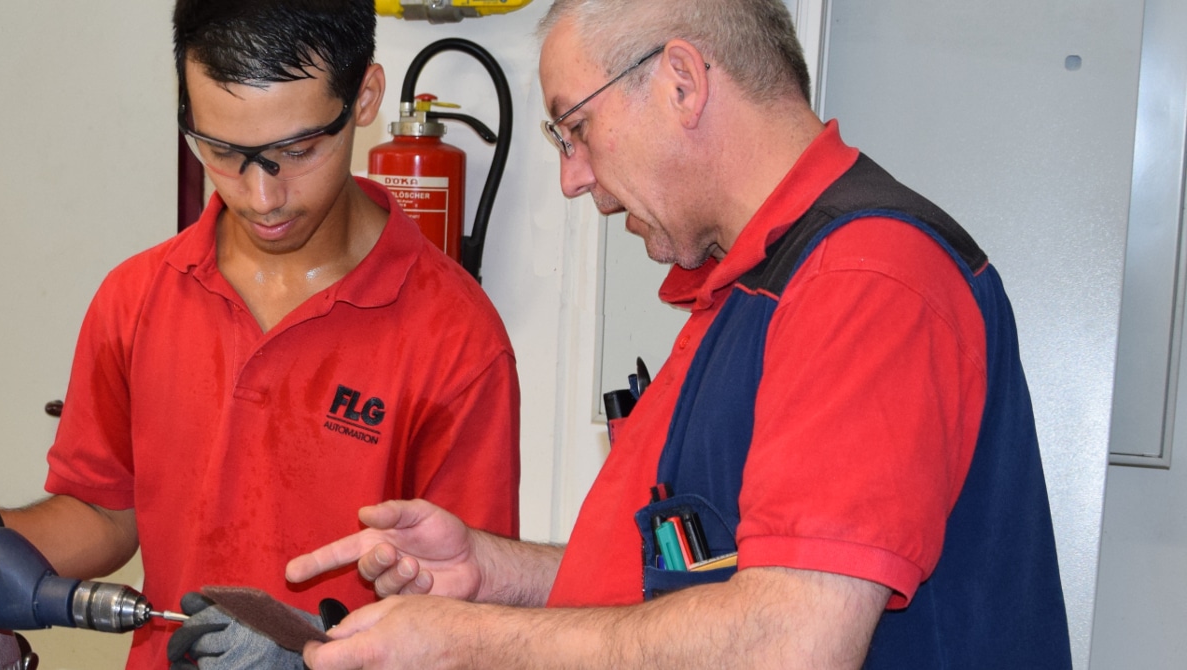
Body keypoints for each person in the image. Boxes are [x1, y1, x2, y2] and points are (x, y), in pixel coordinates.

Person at [284, 0, 1071, 668]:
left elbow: (790, 639)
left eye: (576, 129)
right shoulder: (753, 289)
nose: (573, 177)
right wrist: (496, 573)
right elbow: (702, 586)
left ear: (683, 82)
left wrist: (475, 640)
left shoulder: (866, 279)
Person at [0, 1, 522, 667]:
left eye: (298, 149)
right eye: (221, 150)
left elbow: (470, 616)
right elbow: (104, 516)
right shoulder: (137, 299)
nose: (261, 195)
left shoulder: (455, 338)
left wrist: (312, 649)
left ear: (365, 98)